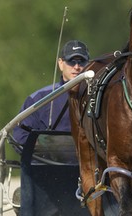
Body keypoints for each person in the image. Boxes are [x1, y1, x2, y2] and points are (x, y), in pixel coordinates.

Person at [12, 40, 90, 216]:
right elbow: (19, 135)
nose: (76, 67)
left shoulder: (98, 99)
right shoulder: (40, 98)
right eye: (71, 61)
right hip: (45, 173)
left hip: (84, 174)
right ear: (60, 63)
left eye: (81, 62)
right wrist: (45, 152)